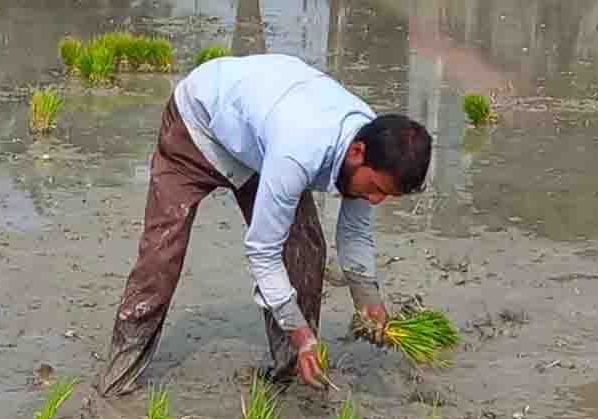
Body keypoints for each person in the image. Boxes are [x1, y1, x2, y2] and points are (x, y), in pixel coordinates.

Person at [94, 53, 432, 397]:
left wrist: (368, 300)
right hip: (198, 127)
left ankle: (294, 370)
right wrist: (299, 331)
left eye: (385, 195)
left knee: (304, 251)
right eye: (374, 188)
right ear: (357, 152)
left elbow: (355, 232)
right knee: (162, 255)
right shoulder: (298, 151)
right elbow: (262, 252)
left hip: (262, 140)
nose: (374, 200)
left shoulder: (373, 140)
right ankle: (119, 375)